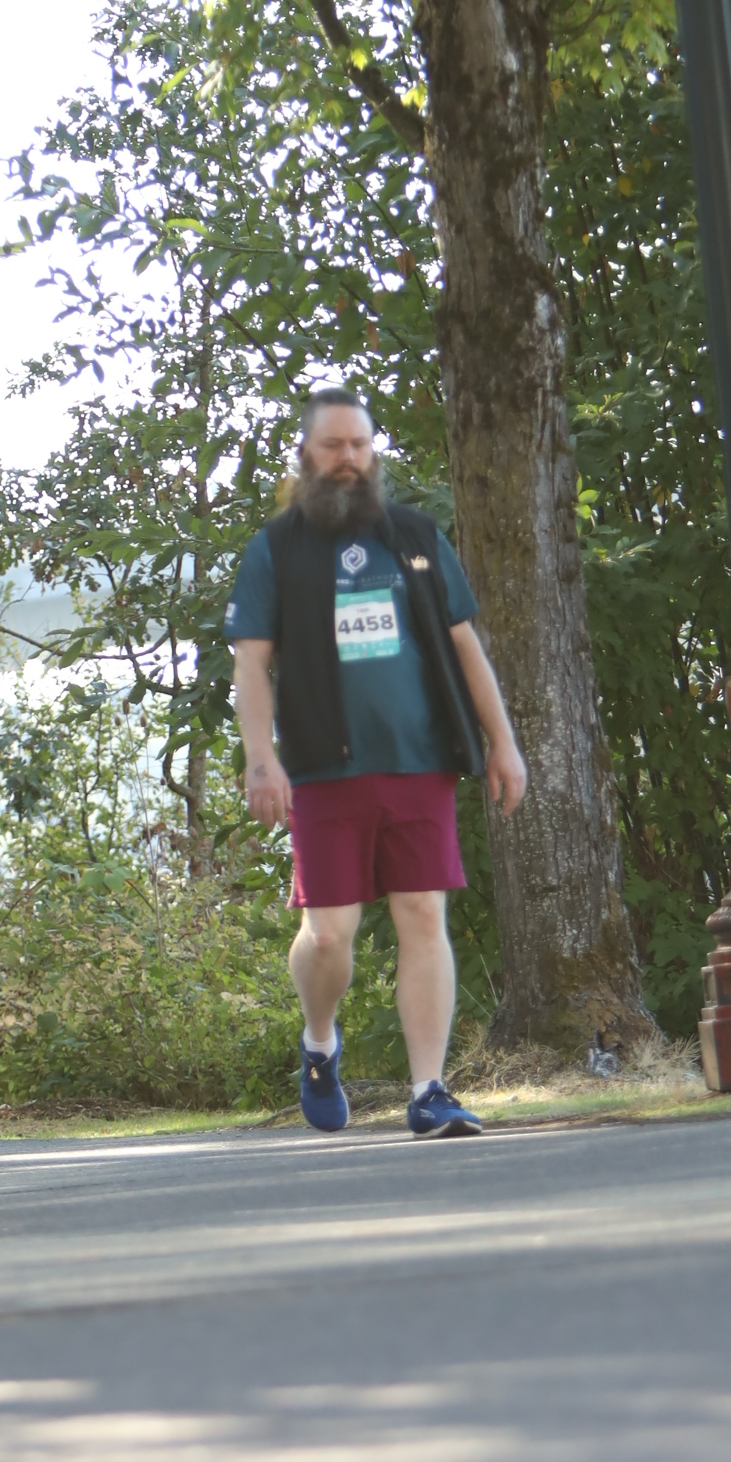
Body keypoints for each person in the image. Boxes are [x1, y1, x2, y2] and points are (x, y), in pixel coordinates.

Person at [226, 389, 528, 1138]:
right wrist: (261, 759)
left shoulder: (415, 537)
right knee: (329, 934)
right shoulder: (277, 548)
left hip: (419, 762)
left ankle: (429, 1090)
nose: (348, 460)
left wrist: (502, 741)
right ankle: (318, 1042)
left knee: (423, 914)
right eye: (333, 446)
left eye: (359, 445)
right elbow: (251, 664)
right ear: (306, 455)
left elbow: (465, 647)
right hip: (322, 770)